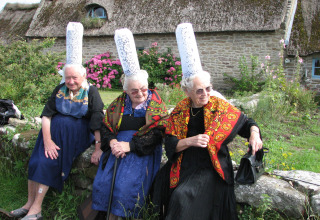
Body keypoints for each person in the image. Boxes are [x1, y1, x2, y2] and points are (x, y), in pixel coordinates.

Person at [151, 23, 263, 220]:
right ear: (187, 92)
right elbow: (170, 144)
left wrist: (254, 134)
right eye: (199, 91)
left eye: (208, 88)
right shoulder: (180, 110)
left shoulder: (219, 105)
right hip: (184, 160)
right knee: (160, 183)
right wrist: (191, 141)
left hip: (212, 164)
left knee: (182, 195)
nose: (205, 94)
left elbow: (246, 122)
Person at [9, 23, 104, 220]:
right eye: (67, 77)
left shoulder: (91, 91)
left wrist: (98, 147)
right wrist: (48, 140)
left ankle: (36, 210)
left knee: (49, 162)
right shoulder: (60, 89)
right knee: (36, 160)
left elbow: (96, 119)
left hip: (74, 135)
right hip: (52, 135)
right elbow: (46, 115)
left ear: (83, 76)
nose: (70, 81)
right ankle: (28, 204)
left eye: (74, 78)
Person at [91, 28, 168, 220]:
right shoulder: (118, 103)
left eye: (143, 88)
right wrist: (113, 143)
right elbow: (106, 126)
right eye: (134, 91)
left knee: (126, 187)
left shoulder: (156, 104)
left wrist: (130, 145)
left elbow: (159, 133)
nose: (140, 93)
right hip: (117, 148)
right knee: (104, 183)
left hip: (141, 151)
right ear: (126, 91)